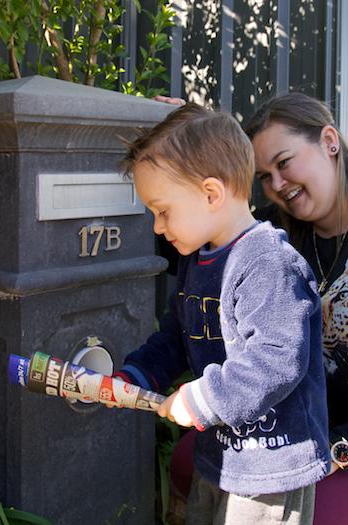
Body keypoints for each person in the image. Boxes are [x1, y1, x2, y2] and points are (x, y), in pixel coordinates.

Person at [116, 101, 330, 524]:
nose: (158, 227)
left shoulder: (268, 261)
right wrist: (140, 374)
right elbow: (180, 334)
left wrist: (204, 397)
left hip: (272, 465)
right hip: (222, 453)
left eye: (163, 211)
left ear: (211, 193)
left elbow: (277, 359)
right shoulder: (198, 262)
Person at [245, 92, 348, 525]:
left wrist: (337, 448)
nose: (277, 184)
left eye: (283, 162)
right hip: (292, 433)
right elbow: (188, 242)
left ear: (329, 141)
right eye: (265, 176)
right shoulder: (275, 234)